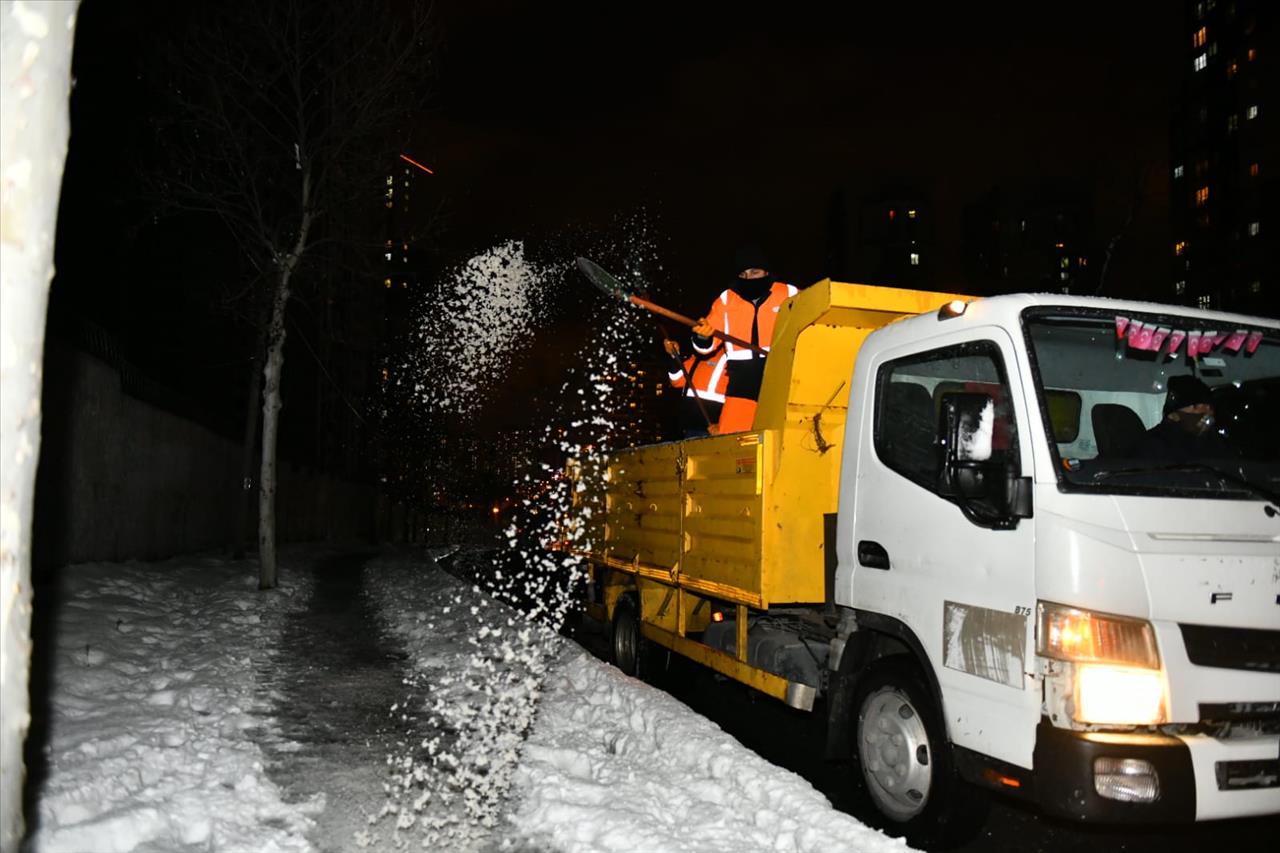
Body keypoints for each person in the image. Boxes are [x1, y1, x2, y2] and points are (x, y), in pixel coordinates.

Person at [690, 245, 798, 434]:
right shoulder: (726, 300)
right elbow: (705, 348)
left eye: (754, 272)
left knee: (786, 436)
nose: (749, 278)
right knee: (734, 439)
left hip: (781, 375)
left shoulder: (789, 294)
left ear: (766, 271)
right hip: (742, 381)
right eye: (743, 274)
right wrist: (702, 335)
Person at [1135, 374, 1230, 461]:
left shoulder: (1216, 443)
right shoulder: (1152, 446)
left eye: (1210, 408)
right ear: (1173, 415)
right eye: (1195, 407)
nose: (1207, 413)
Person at [663, 338, 728, 438]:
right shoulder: (697, 357)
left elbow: (741, 397)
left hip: (712, 430)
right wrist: (674, 355)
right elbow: (676, 380)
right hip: (689, 426)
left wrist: (724, 426)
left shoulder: (731, 357)